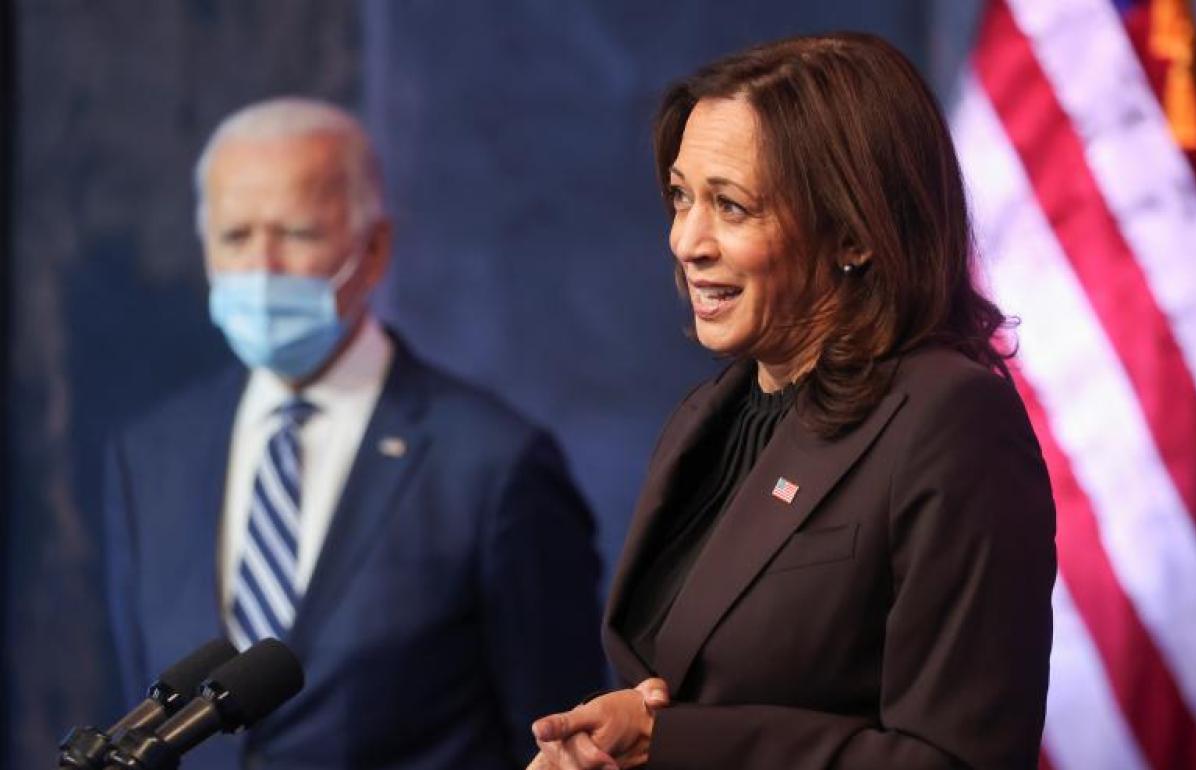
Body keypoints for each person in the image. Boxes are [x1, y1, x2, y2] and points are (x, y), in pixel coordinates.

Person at [528, 33, 1056, 770]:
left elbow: (957, 759)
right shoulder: (713, 416)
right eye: (681, 197)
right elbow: (679, 686)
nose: (687, 241)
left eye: (731, 206)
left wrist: (670, 743)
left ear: (854, 235)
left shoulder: (951, 421)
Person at [103, 97, 605, 770]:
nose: (262, 266)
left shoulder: (494, 465)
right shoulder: (148, 459)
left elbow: (560, 741)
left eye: (297, 233)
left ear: (373, 250)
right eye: (235, 236)